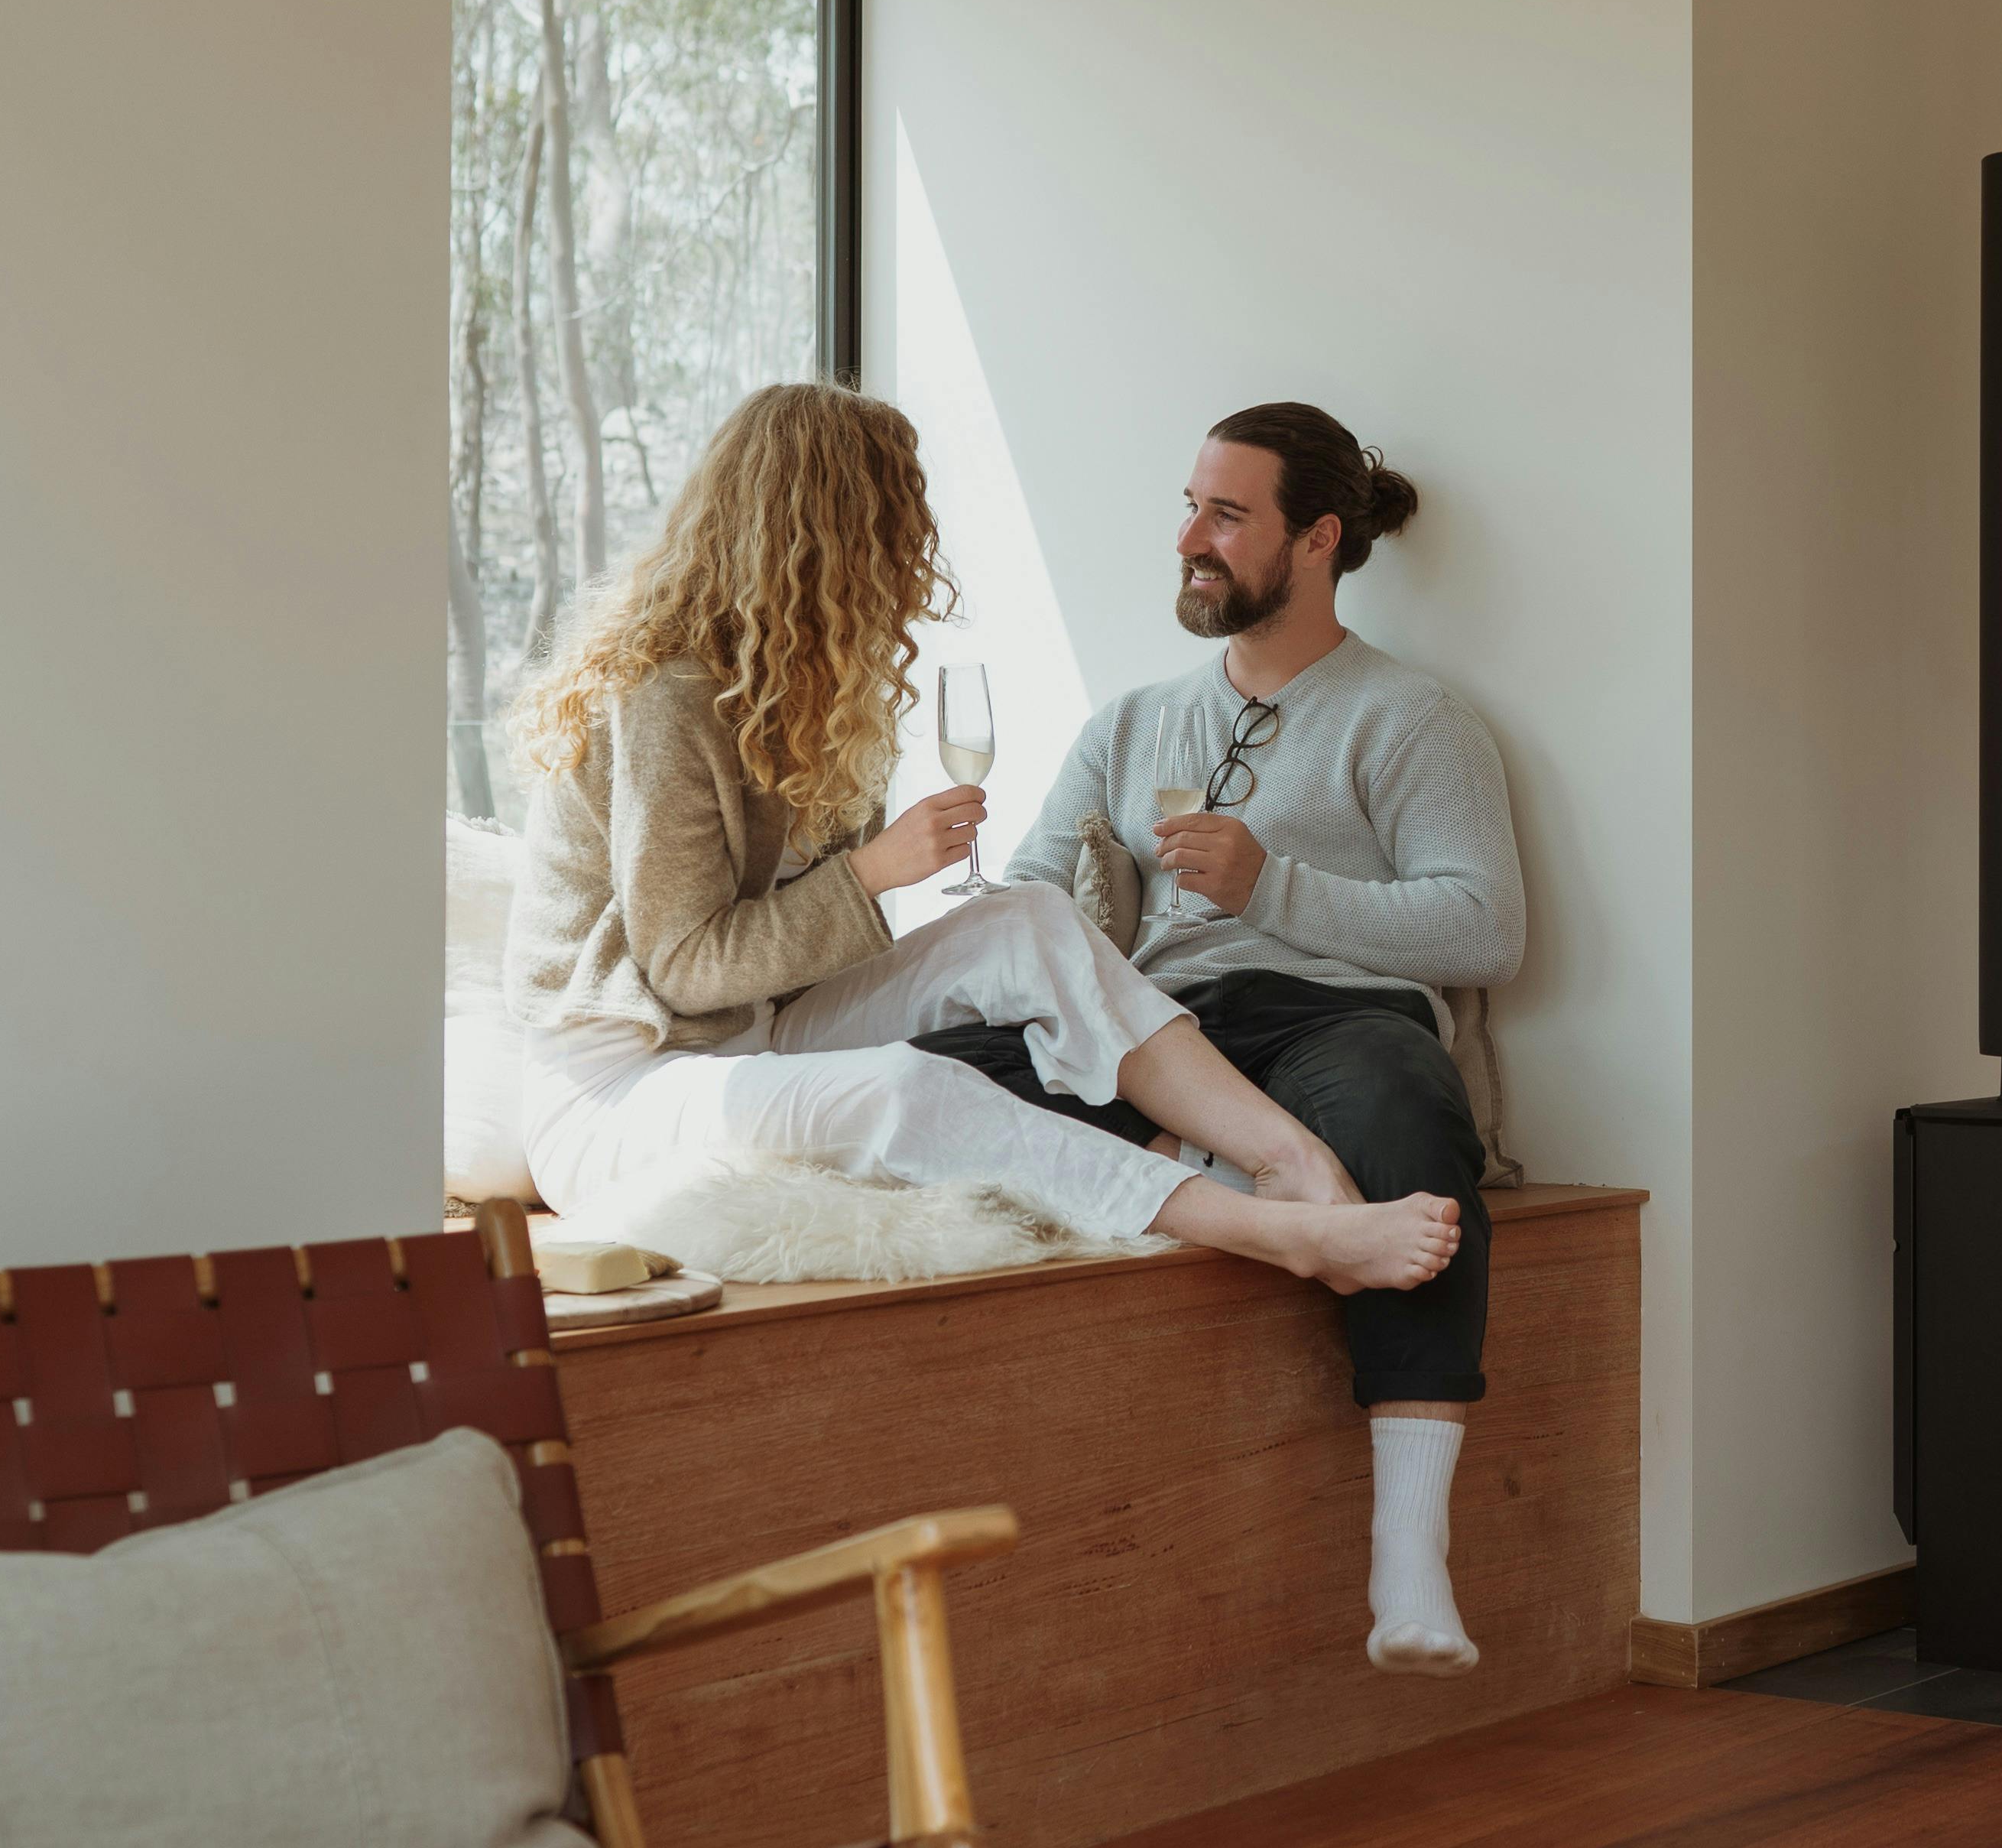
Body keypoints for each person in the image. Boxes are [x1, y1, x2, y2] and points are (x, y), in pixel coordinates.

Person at [502, 385, 1459, 1333]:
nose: (912, 551)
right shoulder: (663, 698)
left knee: (1024, 920)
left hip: (754, 1033)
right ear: (815, 534)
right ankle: (1264, 1226)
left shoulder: (815, 692)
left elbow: (856, 947)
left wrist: (941, 935)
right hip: (621, 1082)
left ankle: (1288, 1157)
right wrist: (873, 874)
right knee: (913, 1086)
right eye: (893, 522)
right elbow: (681, 971)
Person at [926, 401, 1520, 1677]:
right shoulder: (1130, 723)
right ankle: (1205, 1159)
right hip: (1164, 1030)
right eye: (1191, 507)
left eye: (1226, 514)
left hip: (1334, 1013)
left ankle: (1410, 1555)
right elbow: (1031, 903)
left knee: (1407, 1114)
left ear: (1316, 538)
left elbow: (1485, 930)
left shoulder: (1411, 718)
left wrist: (1275, 889)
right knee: (931, 1065)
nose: (1191, 537)